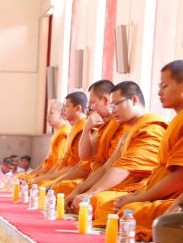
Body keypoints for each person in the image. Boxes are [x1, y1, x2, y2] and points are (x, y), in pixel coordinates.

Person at [94, 61, 183, 239]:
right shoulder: (174, 121)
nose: (159, 92)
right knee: (112, 206)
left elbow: (179, 176)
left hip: (171, 197)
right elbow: (99, 163)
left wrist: (137, 198)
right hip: (152, 190)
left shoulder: (152, 127)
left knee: (129, 211)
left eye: (165, 86)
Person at [62, 82, 166, 218]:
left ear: (134, 100)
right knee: (87, 199)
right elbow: (106, 167)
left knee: (96, 202)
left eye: (116, 104)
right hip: (120, 186)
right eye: (111, 106)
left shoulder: (151, 128)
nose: (113, 110)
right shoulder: (128, 132)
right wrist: (79, 190)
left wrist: (90, 193)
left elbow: (123, 169)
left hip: (141, 189)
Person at [52, 80, 124, 196]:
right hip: (94, 177)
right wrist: (87, 129)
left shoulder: (120, 126)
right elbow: (85, 158)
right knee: (58, 187)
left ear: (106, 100)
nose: (91, 108)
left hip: (110, 184)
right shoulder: (102, 126)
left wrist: (89, 191)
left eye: (92, 103)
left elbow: (113, 167)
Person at [34, 92, 88, 186]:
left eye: (67, 106)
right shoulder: (74, 128)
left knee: (41, 184)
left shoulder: (82, 129)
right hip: (61, 173)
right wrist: (42, 177)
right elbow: (59, 162)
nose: (63, 110)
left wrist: (46, 179)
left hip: (75, 177)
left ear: (78, 108)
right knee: (38, 183)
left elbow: (74, 167)